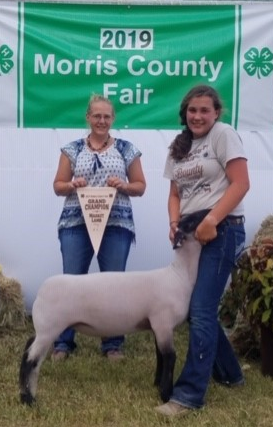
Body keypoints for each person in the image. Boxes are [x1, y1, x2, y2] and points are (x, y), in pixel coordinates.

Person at [155, 85, 250, 416]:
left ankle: (189, 396)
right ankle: (231, 375)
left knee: (200, 309)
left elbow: (240, 183)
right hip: (191, 232)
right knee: (200, 308)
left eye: (204, 110)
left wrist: (211, 220)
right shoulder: (178, 147)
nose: (197, 116)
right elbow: (174, 194)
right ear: (185, 113)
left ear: (216, 113)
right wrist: (173, 222)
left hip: (220, 229)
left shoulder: (224, 135)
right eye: (192, 110)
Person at [52, 94, 146, 361]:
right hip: (75, 223)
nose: (102, 120)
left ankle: (113, 343)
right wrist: (71, 186)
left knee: (113, 285)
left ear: (113, 118)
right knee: (71, 283)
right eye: (97, 116)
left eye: (106, 116)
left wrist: (125, 186)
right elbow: (58, 185)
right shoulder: (72, 149)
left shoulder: (127, 148)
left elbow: (140, 185)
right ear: (88, 118)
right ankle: (63, 342)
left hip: (117, 223)